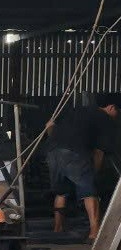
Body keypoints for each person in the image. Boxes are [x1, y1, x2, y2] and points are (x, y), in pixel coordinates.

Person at [46, 92, 120, 240]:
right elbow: (99, 151)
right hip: (75, 153)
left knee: (61, 192)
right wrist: (95, 173)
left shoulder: (78, 110)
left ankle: (57, 229)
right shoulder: (104, 118)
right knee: (89, 192)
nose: (117, 117)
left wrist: (54, 141)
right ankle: (94, 233)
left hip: (52, 151)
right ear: (111, 107)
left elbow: (50, 125)